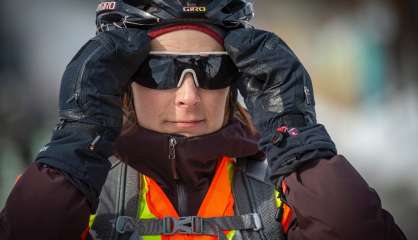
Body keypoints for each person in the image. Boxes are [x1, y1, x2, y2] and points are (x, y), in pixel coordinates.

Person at [0, 1, 407, 239]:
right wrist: (78, 138)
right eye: (161, 70)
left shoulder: (288, 189)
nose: (189, 97)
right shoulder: (74, 191)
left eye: (212, 69)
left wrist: (298, 141)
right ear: (119, 77)